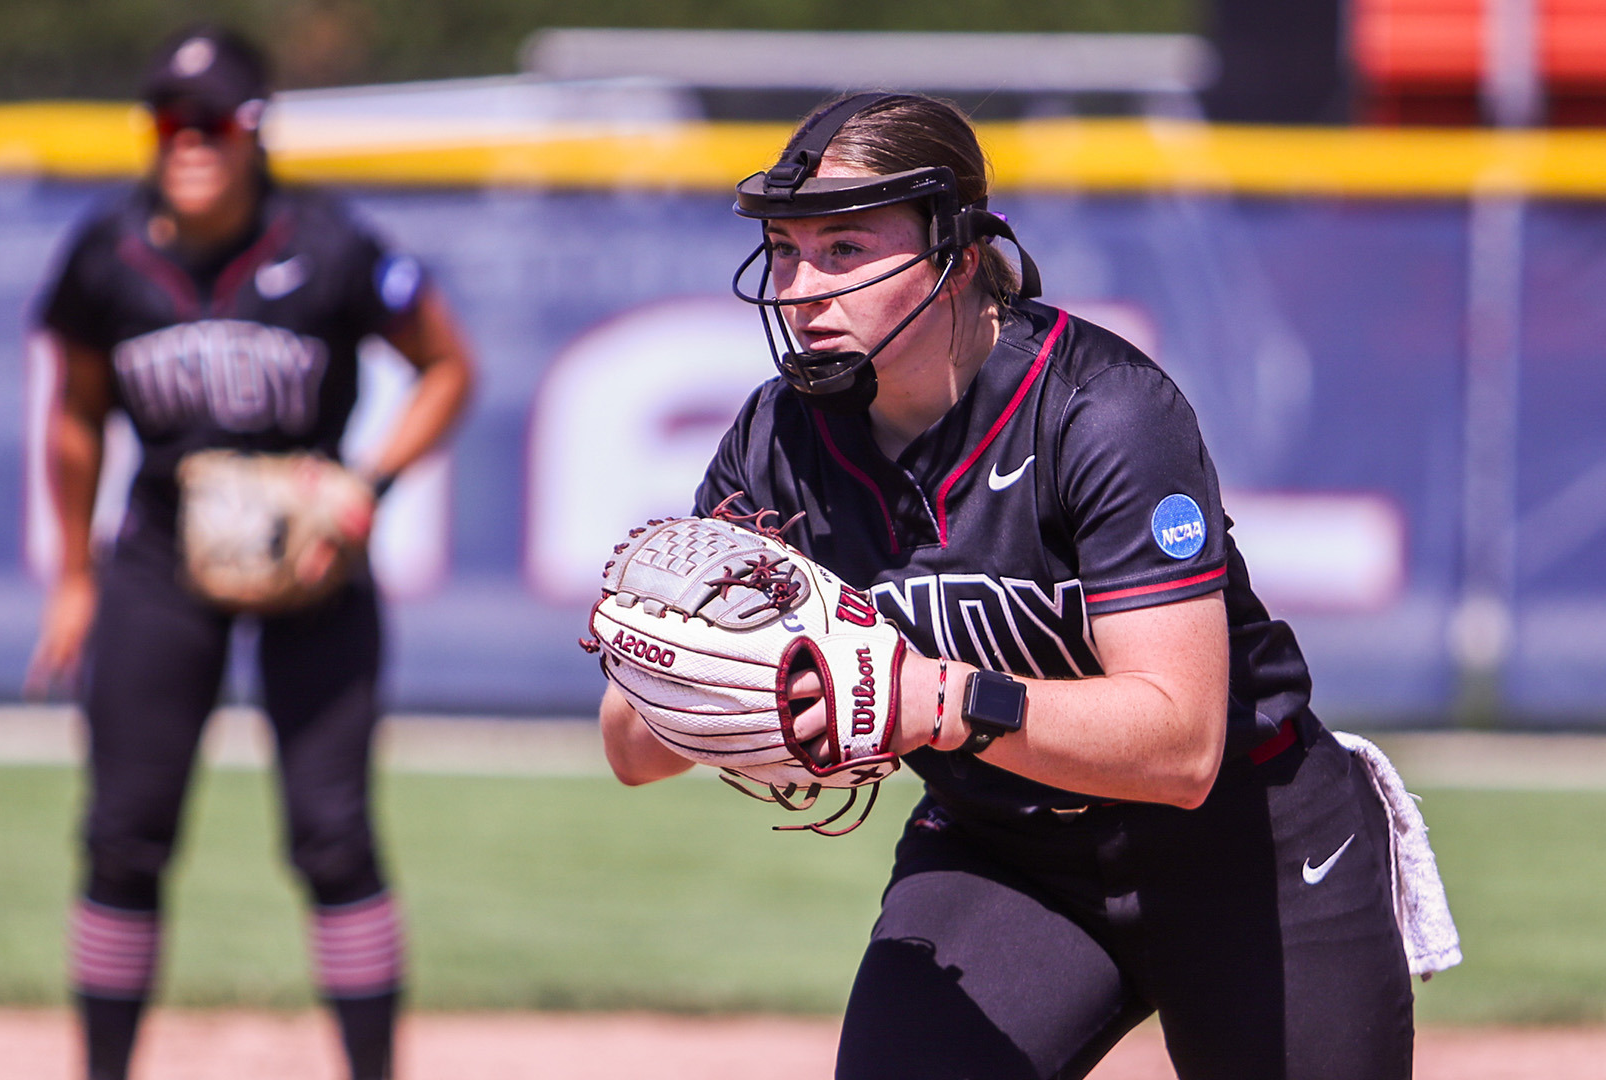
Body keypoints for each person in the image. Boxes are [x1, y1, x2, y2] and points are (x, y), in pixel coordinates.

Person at [599, 92, 1420, 1079]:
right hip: (1008, 850)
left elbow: (1183, 746)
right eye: (785, 248)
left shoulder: (1100, 410)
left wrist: (938, 700)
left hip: (1249, 844)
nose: (802, 286)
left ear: (952, 247)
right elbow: (632, 749)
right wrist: (705, 683)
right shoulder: (779, 442)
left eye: (845, 249)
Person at [24, 25, 474, 1080]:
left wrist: (367, 484)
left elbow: (448, 366)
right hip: (158, 556)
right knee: (123, 833)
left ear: (254, 130)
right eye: (170, 122)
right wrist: (75, 577)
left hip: (314, 567)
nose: (189, 141)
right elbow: (76, 416)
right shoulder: (106, 252)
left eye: (213, 123)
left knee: (332, 835)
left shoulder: (331, 245)